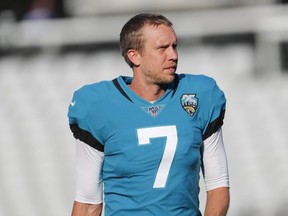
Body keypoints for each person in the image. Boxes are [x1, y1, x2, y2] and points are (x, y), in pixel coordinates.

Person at [68, 13, 230, 216]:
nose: (173, 55)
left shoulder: (200, 95)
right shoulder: (99, 106)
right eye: (162, 48)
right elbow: (88, 202)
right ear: (134, 56)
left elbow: (218, 184)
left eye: (174, 46)